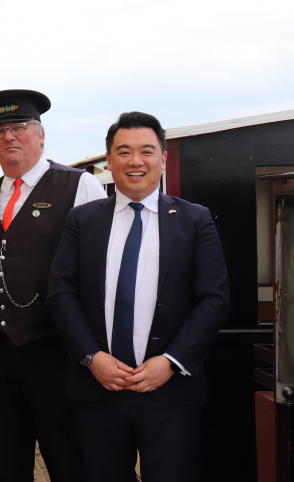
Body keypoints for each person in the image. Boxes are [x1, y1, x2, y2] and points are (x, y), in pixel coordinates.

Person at [47, 112, 230, 482]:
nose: (135, 161)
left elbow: (215, 298)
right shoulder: (82, 220)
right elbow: (61, 292)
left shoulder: (195, 220)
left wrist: (172, 360)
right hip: (98, 387)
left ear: (163, 159)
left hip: (170, 388)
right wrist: (90, 356)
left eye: (146, 151)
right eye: (124, 151)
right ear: (109, 160)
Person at [0, 90, 106, 482]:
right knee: (5, 464)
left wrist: (93, 352)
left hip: (55, 353)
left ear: (41, 134)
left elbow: (99, 278)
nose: (9, 137)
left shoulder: (80, 187)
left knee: (68, 461)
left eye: (19, 127)